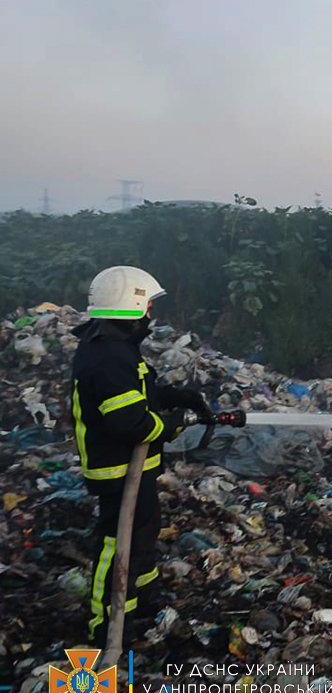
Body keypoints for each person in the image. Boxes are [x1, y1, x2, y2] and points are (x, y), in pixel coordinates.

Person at [71, 266, 212, 647]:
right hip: (117, 468)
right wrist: (172, 425)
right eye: (148, 304)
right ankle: (106, 625)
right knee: (118, 542)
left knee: (144, 530)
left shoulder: (116, 347)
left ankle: (140, 599)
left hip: (136, 466)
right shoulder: (106, 356)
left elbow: (142, 393)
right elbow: (130, 422)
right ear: (131, 307)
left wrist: (178, 397)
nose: (151, 312)